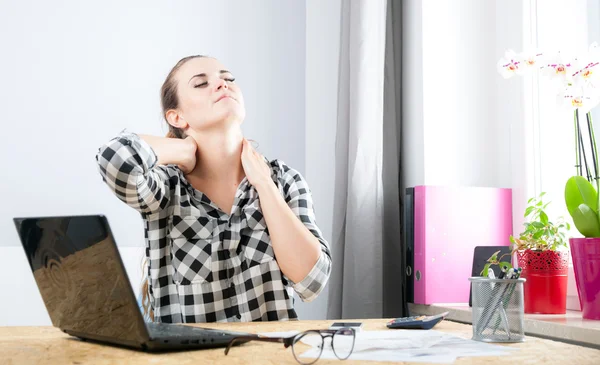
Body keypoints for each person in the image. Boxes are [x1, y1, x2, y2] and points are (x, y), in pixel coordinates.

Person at [95, 55, 331, 323]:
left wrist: (265, 186)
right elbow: (115, 159)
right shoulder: (166, 188)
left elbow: (312, 281)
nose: (222, 84)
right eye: (201, 83)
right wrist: (183, 149)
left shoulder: (285, 181)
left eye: (228, 78)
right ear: (176, 117)